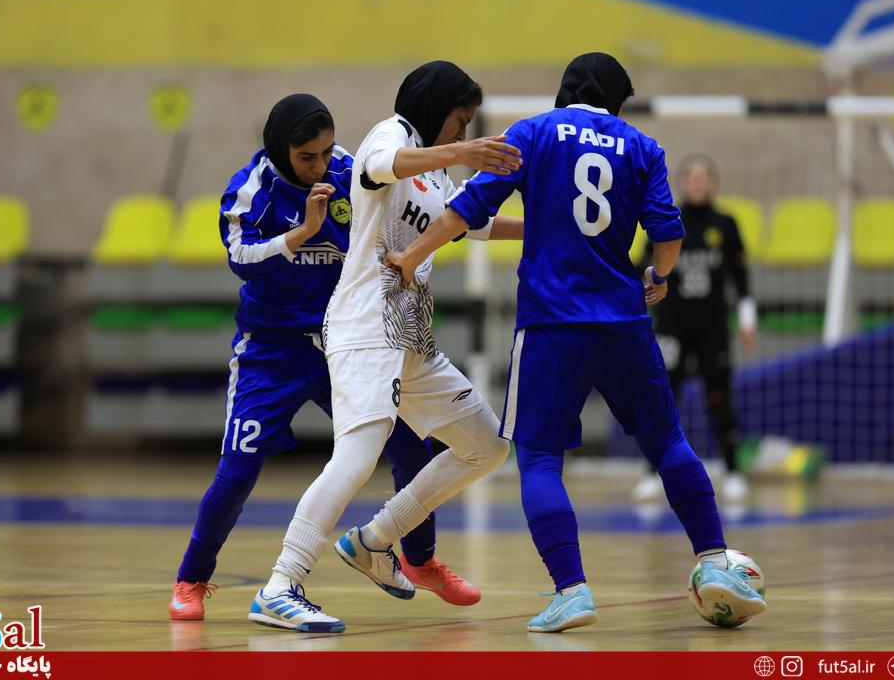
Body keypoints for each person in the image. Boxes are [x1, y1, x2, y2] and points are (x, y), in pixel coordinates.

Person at [385, 53, 767, 632]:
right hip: (623, 320)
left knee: (539, 458)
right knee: (667, 440)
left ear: (565, 91)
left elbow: (467, 210)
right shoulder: (643, 147)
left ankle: (571, 591)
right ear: (616, 99)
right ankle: (714, 560)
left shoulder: (531, 133)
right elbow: (669, 234)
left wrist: (411, 256)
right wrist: (658, 279)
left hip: (549, 324)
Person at [169, 93, 479, 622]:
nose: (320, 165)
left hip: (346, 342)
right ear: (279, 148)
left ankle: (419, 559)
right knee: (238, 469)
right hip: (271, 351)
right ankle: (192, 578)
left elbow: (393, 216)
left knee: (412, 446)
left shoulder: (348, 171)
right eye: (306, 157)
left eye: (326, 151)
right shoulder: (251, 189)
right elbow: (240, 258)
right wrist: (302, 234)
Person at [248, 61, 523, 633]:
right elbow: (379, 168)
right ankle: (280, 583)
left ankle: (376, 541)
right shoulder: (391, 134)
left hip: (409, 334)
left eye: (468, 125)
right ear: (435, 105)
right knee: (358, 454)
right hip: (364, 323)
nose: (462, 133)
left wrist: (544, 226)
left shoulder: (436, 171)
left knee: (488, 444)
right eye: (459, 120)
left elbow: (472, 225)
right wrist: (461, 155)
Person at [632, 154, 757, 505]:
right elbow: (644, 265)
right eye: (692, 178)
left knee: (720, 398)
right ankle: (652, 473)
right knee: (662, 399)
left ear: (712, 183)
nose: (698, 184)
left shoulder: (726, 224)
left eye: (704, 178)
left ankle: (732, 472)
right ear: (683, 183)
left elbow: (741, 277)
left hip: (712, 328)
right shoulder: (666, 221)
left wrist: (747, 320)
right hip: (672, 326)